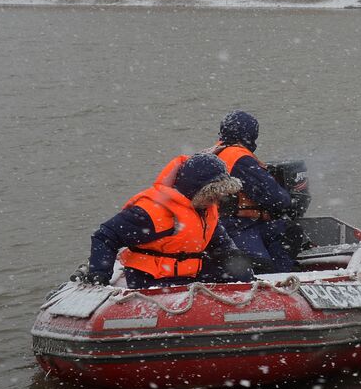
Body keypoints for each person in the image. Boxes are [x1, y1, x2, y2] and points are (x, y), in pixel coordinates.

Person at [82, 153, 252, 289]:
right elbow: (105, 236)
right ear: (197, 191)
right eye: (212, 195)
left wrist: (244, 273)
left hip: (188, 274)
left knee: (239, 269)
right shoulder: (154, 212)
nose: (216, 201)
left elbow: (223, 246)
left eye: (219, 196)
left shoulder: (206, 210)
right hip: (152, 280)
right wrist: (99, 276)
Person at [210, 110, 309, 273]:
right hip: (238, 226)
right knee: (262, 267)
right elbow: (274, 197)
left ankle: (285, 274)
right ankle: (281, 280)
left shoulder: (215, 152)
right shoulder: (239, 158)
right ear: (250, 134)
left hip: (215, 225)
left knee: (288, 231)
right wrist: (289, 201)